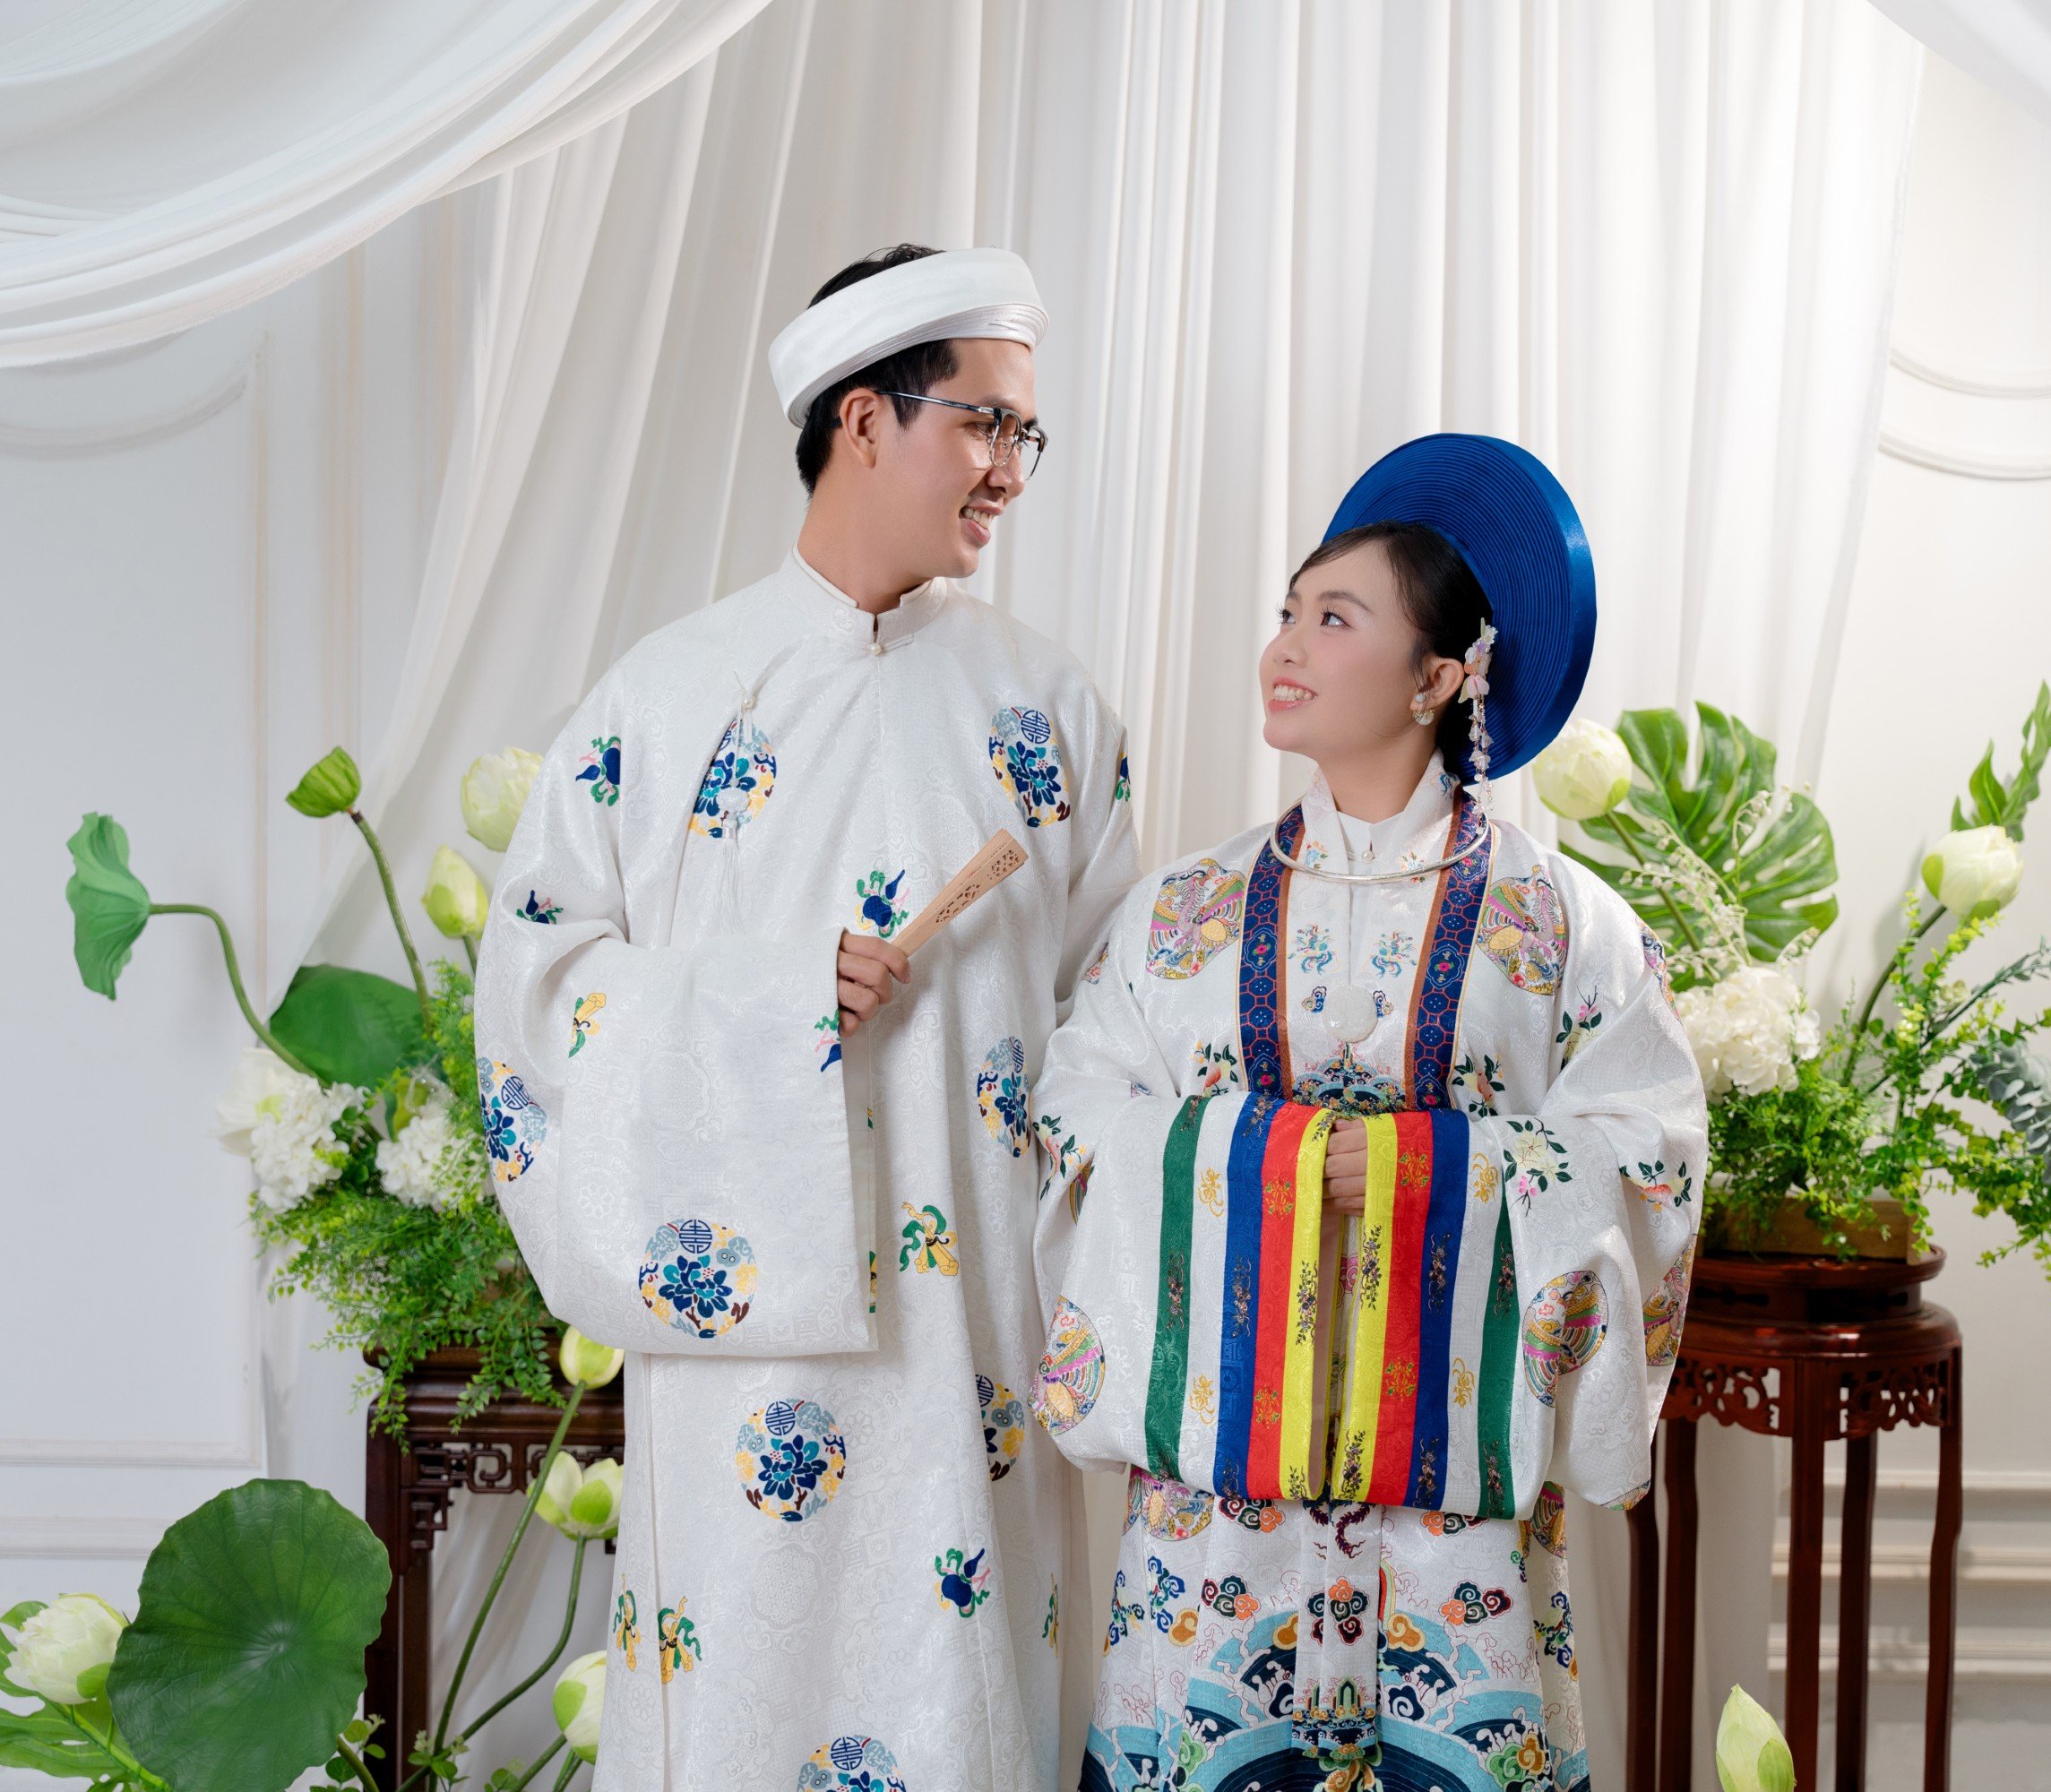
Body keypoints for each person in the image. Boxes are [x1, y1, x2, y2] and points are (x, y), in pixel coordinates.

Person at [476, 244, 1138, 1790]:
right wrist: (774, 1002)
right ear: (864, 420)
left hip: (980, 1351)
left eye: (1027, 434)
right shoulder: (664, 702)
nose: (1011, 469)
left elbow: (1118, 1028)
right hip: (746, 1373)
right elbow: (535, 1001)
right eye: (986, 424)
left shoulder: (1051, 714)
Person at [1029, 435, 1705, 1790]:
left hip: (1456, 1535)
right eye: (1288, 611)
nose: (1286, 646)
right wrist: (1257, 1164)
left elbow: (1651, 1150)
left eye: (1335, 620)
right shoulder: (1184, 914)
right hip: (1219, 1531)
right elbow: (1077, 1113)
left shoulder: (1561, 924)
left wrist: (1430, 1174)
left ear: (1439, 677)